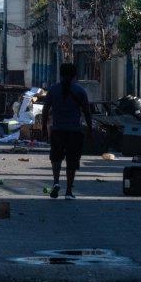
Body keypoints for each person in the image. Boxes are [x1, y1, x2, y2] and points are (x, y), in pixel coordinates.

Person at [41, 63, 92, 200]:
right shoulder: (80, 91)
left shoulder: (53, 90)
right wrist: (90, 130)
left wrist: (43, 129)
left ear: (60, 74)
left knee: (56, 158)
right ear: (75, 75)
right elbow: (87, 112)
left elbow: (45, 110)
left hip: (57, 130)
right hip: (74, 131)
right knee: (72, 160)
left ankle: (56, 182)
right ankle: (69, 191)